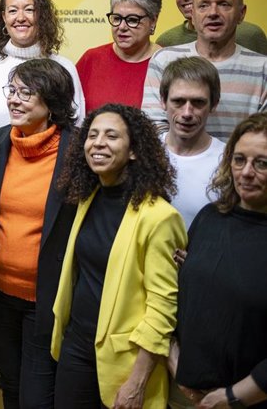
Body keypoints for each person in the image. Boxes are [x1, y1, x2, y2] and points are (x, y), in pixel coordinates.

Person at [51, 104, 187, 408]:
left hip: (126, 361)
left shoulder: (159, 218)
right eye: (92, 135)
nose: (98, 143)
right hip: (76, 346)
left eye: (111, 136)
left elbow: (162, 308)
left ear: (134, 151)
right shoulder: (87, 197)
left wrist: (137, 381)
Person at [0, 59, 77, 408]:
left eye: (27, 93)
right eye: (13, 91)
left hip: (45, 300)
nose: (15, 100)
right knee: (10, 387)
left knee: (37, 397)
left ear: (52, 102)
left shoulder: (75, 151)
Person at [171, 112, 267, 408]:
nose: (246, 172)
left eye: (261, 163)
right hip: (184, 394)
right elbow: (182, 301)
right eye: (239, 160)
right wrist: (177, 366)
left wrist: (229, 398)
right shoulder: (210, 218)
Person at [142, 0, 267, 142]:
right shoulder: (164, 61)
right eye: (203, 6)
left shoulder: (263, 68)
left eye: (224, 4)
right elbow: (153, 128)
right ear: (192, 14)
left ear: (241, 14)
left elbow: (263, 137)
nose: (213, 13)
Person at [0, 0, 85, 133]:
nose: (20, 18)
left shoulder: (64, 67)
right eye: (13, 11)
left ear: (41, 15)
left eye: (29, 10)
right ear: (4, 17)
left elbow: (75, 127)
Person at [77, 0, 162, 113]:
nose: (122, 27)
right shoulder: (91, 59)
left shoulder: (167, 63)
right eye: (116, 18)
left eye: (132, 20)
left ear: (153, 20)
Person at [159, 56, 225, 228]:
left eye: (198, 102)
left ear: (214, 104)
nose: (187, 113)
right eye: (178, 101)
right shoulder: (143, 153)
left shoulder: (228, 162)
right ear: (163, 101)